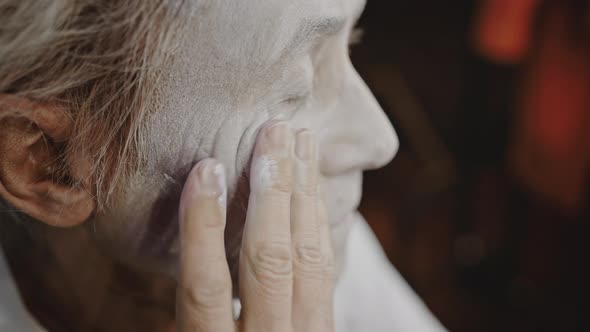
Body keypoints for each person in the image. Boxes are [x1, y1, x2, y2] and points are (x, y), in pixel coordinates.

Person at [0, 0, 446, 331]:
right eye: (295, 92)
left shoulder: (294, 253)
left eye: (350, 41)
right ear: (45, 160)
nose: (380, 142)